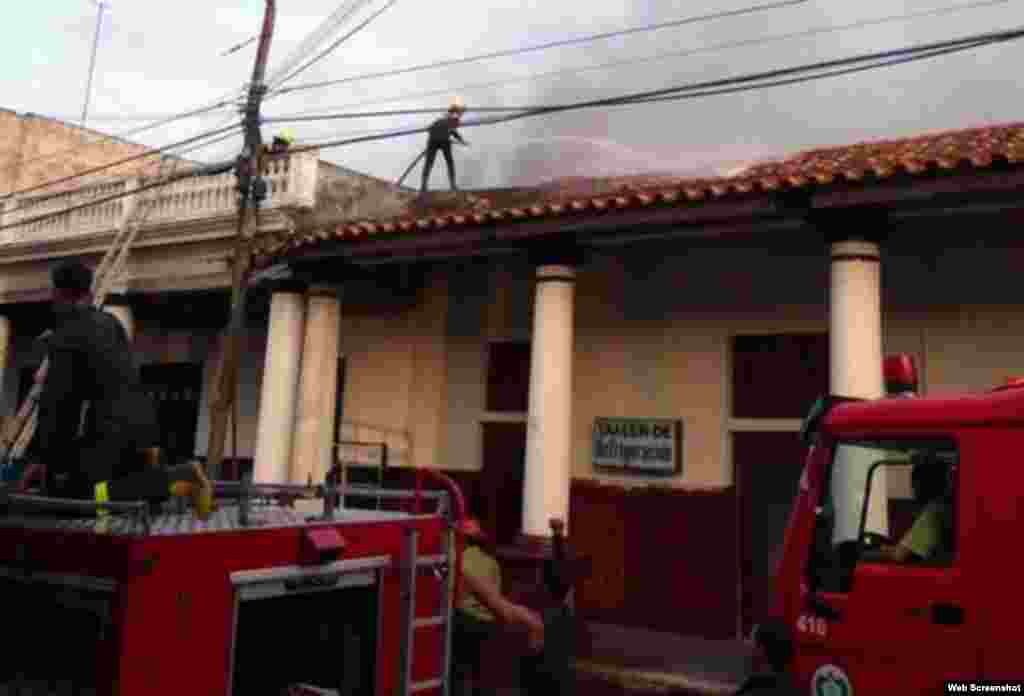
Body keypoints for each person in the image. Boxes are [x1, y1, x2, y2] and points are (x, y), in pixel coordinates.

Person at [18, 260, 214, 517]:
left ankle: (179, 478)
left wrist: (44, 459)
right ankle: (169, 480)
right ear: (88, 291)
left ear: (56, 292)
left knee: (77, 497)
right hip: (143, 428)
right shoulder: (110, 322)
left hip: (110, 432)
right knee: (108, 491)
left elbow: (59, 404)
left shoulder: (67, 333)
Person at [867, 452, 952, 564]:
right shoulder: (944, 507)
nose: (913, 490)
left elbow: (900, 555)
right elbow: (909, 549)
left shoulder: (934, 511)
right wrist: (888, 549)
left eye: (915, 483)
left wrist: (877, 552)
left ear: (924, 484)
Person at [451, 516, 502, 696]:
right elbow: (497, 598)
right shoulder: (492, 563)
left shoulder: (456, 559)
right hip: (488, 625)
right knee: (482, 679)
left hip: (463, 621)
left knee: (456, 673)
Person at [734, 619, 800, 694]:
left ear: (760, 650)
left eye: (750, 641)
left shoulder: (753, 690)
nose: (746, 647)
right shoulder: (795, 688)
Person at [420, 99, 468, 194]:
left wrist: (460, 140)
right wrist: (460, 140)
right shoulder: (453, 117)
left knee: (430, 163)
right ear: (457, 111)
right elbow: (453, 130)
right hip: (439, 140)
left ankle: (424, 186)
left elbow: (431, 128)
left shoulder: (445, 117)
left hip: (437, 140)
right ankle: (452, 185)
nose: (461, 114)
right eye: (461, 112)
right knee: (448, 163)